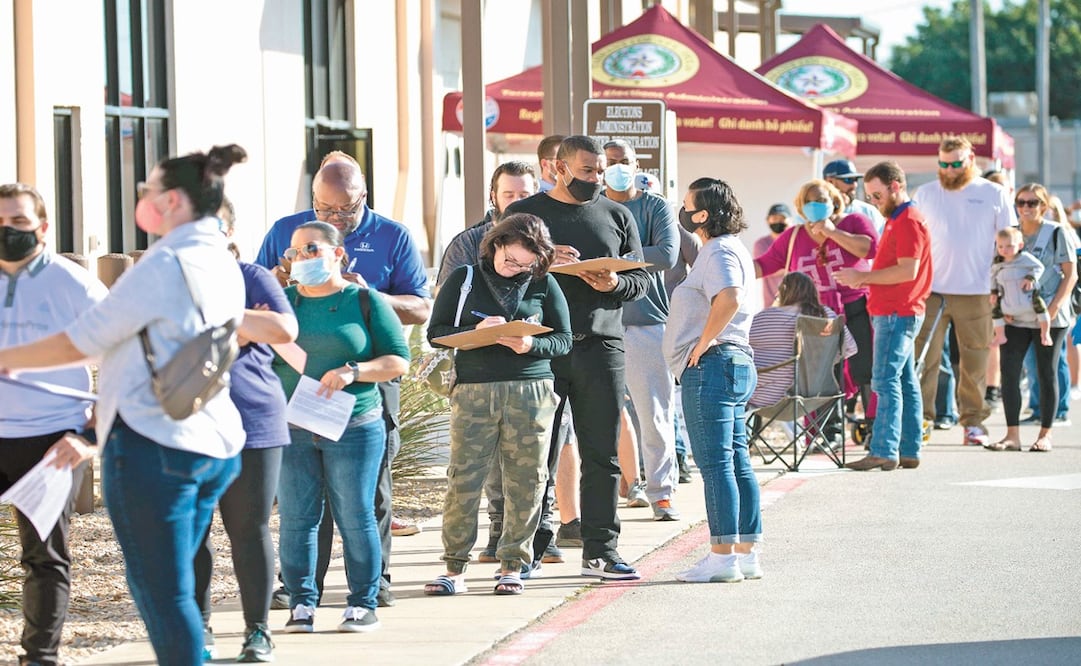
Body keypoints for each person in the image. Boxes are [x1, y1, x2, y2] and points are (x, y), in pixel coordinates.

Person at [0, 146, 248, 663]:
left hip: (153, 444)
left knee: (163, 595)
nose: (141, 199)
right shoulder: (216, 256)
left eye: (148, 190)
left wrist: (8, 358)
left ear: (174, 200)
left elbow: (83, 341)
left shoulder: (164, 263)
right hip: (208, 438)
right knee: (175, 587)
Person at [257, 153, 429, 608]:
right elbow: (256, 297)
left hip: (365, 382)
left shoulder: (393, 235)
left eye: (344, 210)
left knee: (367, 491)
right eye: (323, 208)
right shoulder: (286, 232)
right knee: (299, 500)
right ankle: (298, 588)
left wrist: (364, 294)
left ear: (363, 199)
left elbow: (421, 306)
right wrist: (281, 279)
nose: (334, 217)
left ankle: (374, 582)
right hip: (298, 384)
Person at [504, 134, 650, 580]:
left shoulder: (617, 214)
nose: (597, 178)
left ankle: (601, 549)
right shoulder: (526, 215)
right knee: (535, 454)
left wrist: (613, 285)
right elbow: (502, 274)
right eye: (588, 171)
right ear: (559, 169)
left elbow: (639, 279)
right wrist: (545, 262)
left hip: (602, 345)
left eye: (600, 170)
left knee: (601, 453)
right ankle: (528, 550)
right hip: (543, 347)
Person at [423, 213, 571, 596]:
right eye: (511, 261)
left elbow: (565, 340)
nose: (517, 269)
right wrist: (476, 331)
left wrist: (531, 344)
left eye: (526, 264)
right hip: (475, 389)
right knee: (464, 478)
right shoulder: (465, 278)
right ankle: (454, 567)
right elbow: (436, 335)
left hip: (532, 390)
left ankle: (513, 566)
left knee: (527, 480)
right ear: (496, 245)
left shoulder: (545, 282)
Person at [273, 221, 410, 633]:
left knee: (356, 515)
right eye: (295, 253)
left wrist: (356, 370)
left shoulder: (365, 301)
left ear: (338, 253)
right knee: (297, 518)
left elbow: (398, 360)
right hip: (293, 424)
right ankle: (301, 604)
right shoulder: (281, 304)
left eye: (311, 249)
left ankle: (362, 603)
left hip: (355, 424)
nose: (302, 259)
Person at [0, 183, 107, 666]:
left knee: (44, 557)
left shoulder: (75, 285)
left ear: (42, 228)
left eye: (18, 222)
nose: (7, 231)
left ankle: (39, 657)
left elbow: (130, 360)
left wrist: (90, 436)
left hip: (51, 440)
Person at [193, 199, 299, 663]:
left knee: (248, 527)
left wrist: (226, 318)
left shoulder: (252, 276)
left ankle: (258, 631)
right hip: (188, 421)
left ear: (230, 230)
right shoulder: (166, 279)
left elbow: (283, 328)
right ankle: (196, 627)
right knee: (193, 531)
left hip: (252, 418)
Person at [662, 177, 761, 583]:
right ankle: (744, 552)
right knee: (736, 461)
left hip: (713, 366)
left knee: (717, 465)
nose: (681, 211)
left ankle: (722, 558)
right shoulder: (725, 249)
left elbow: (730, 297)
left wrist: (702, 343)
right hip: (730, 365)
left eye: (686, 205)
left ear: (701, 215)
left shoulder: (718, 250)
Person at [754, 179, 877, 446]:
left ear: (833, 200)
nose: (815, 205)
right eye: (809, 201)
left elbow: (869, 248)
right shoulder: (794, 235)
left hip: (855, 308)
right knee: (819, 374)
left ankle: (873, 428)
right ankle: (826, 431)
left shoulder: (853, 221)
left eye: (821, 199)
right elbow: (766, 264)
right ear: (800, 206)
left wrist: (832, 232)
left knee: (864, 369)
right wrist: (728, 273)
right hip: (815, 316)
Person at [912, 136, 1015, 447]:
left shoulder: (993, 193)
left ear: (971, 159)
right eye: (943, 164)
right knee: (925, 359)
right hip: (932, 291)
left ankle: (972, 422)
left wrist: (1001, 289)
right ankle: (923, 420)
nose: (950, 169)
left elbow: (1008, 245)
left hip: (978, 290)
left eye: (956, 163)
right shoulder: (926, 193)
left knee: (974, 360)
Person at [602, 139, 680, 521]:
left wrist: (615, 261)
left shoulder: (654, 206)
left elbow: (666, 255)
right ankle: (606, 495)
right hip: (600, 326)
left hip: (648, 324)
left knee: (654, 417)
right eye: (611, 162)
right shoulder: (593, 207)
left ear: (637, 164)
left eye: (625, 161)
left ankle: (661, 493)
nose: (618, 167)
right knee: (601, 418)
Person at [837, 160, 933, 471]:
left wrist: (861, 278)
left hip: (896, 310)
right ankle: (907, 450)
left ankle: (884, 449)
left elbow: (908, 270)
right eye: (870, 197)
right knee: (904, 381)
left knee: (885, 380)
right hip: (897, 309)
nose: (873, 203)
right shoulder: (900, 217)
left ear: (895, 187)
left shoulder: (907, 220)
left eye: (877, 196)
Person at [985, 184, 1077, 453]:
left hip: (1048, 314)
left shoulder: (1056, 233)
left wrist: (1054, 308)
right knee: (1010, 373)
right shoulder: (1009, 234)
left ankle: (1045, 434)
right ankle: (1012, 435)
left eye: (1033, 203)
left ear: (1044, 206)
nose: (1026, 207)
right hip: (1014, 315)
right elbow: (997, 270)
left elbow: (1070, 275)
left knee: (1045, 372)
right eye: (1021, 202)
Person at [748, 272, 856, 410]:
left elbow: (739, 343)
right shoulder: (825, 316)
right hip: (816, 394)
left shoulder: (765, 318)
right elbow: (851, 348)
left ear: (783, 291)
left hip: (766, 397)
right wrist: (823, 361)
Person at [989, 227, 1050, 348]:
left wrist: (1030, 278)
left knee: (1041, 308)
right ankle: (1000, 335)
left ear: (1020, 245)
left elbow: (1039, 267)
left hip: (1027, 298)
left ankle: (1045, 333)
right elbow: (992, 277)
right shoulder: (997, 263)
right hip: (1008, 300)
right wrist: (994, 292)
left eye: (1009, 246)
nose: (1004, 250)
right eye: (1000, 246)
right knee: (995, 311)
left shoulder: (1025, 258)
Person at [823, 158, 886, 234]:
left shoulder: (869, 211)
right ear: (830, 181)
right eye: (848, 180)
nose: (854, 185)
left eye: (856, 179)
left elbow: (879, 243)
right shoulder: (816, 211)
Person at [753, 203, 792, 307]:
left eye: (782, 218)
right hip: (771, 304)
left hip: (796, 303)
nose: (778, 221)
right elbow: (764, 268)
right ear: (767, 220)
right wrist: (792, 266)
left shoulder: (796, 241)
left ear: (790, 220)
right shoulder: (761, 244)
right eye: (774, 218)